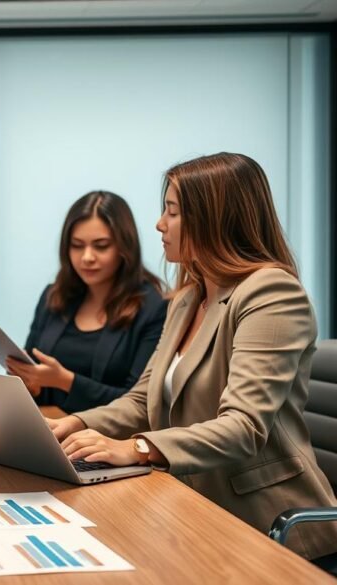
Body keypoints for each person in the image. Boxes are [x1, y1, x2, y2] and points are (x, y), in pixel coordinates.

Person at [48, 153, 337, 560]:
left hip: (266, 525)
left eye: (172, 212)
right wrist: (69, 425)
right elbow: (140, 400)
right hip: (189, 502)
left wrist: (137, 448)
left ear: (213, 218)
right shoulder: (188, 297)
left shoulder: (271, 293)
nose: (159, 225)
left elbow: (243, 427)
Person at [6, 191, 167, 413]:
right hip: (49, 427)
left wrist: (65, 380)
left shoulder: (153, 307)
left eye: (101, 246)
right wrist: (29, 383)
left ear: (124, 247)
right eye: (77, 245)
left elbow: (137, 402)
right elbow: (38, 381)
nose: (87, 257)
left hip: (108, 439)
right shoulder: (54, 296)